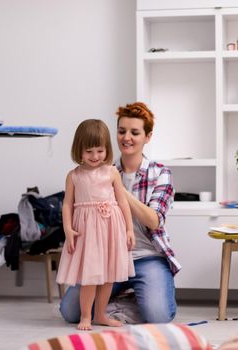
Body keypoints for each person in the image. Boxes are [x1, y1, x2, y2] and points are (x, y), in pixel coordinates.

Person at [59, 102, 181, 325]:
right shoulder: (99, 165)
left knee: (158, 315)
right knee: (69, 312)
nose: (127, 137)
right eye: (122, 131)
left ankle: (122, 304)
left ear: (148, 136)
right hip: (106, 253)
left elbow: (154, 221)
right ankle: (112, 307)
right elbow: (72, 204)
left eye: (135, 132)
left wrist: (119, 191)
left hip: (146, 256)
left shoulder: (159, 173)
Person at [56, 119, 135, 331]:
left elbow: (122, 201)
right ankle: (85, 316)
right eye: (89, 151)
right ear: (78, 150)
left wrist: (128, 228)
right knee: (89, 276)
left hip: (111, 228)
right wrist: (67, 228)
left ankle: (100, 314)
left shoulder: (111, 172)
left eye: (99, 150)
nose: (94, 156)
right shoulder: (74, 176)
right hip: (87, 231)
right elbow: (67, 205)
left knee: (109, 276)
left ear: (106, 149)